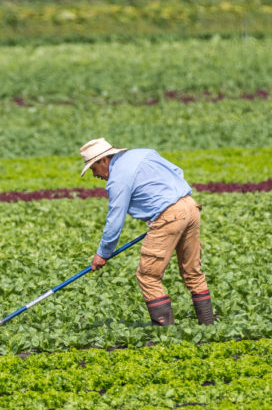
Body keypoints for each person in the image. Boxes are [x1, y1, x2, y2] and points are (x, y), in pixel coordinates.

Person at [81, 138, 214, 326]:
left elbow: (115, 220)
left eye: (93, 169)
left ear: (103, 160)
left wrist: (102, 253)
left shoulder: (118, 178)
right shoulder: (144, 153)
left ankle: (164, 336)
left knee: (148, 276)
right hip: (190, 206)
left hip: (169, 216)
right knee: (192, 271)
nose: (95, 175)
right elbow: (177, 172)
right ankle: (209, 327)